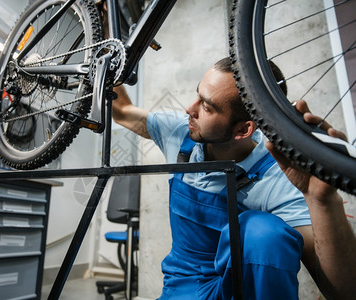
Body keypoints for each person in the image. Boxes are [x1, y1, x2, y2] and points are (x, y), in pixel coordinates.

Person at [111, 57, 356, 299]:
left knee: (263, 231)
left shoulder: (279, 178)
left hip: (234, 291)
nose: (190, 108)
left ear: (243, 129)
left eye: (206, 107)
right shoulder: (181, 131)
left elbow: (344, 291)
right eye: (198, 95)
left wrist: (322, 199)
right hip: (180, 289)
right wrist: (107, 52)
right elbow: (122, 111)